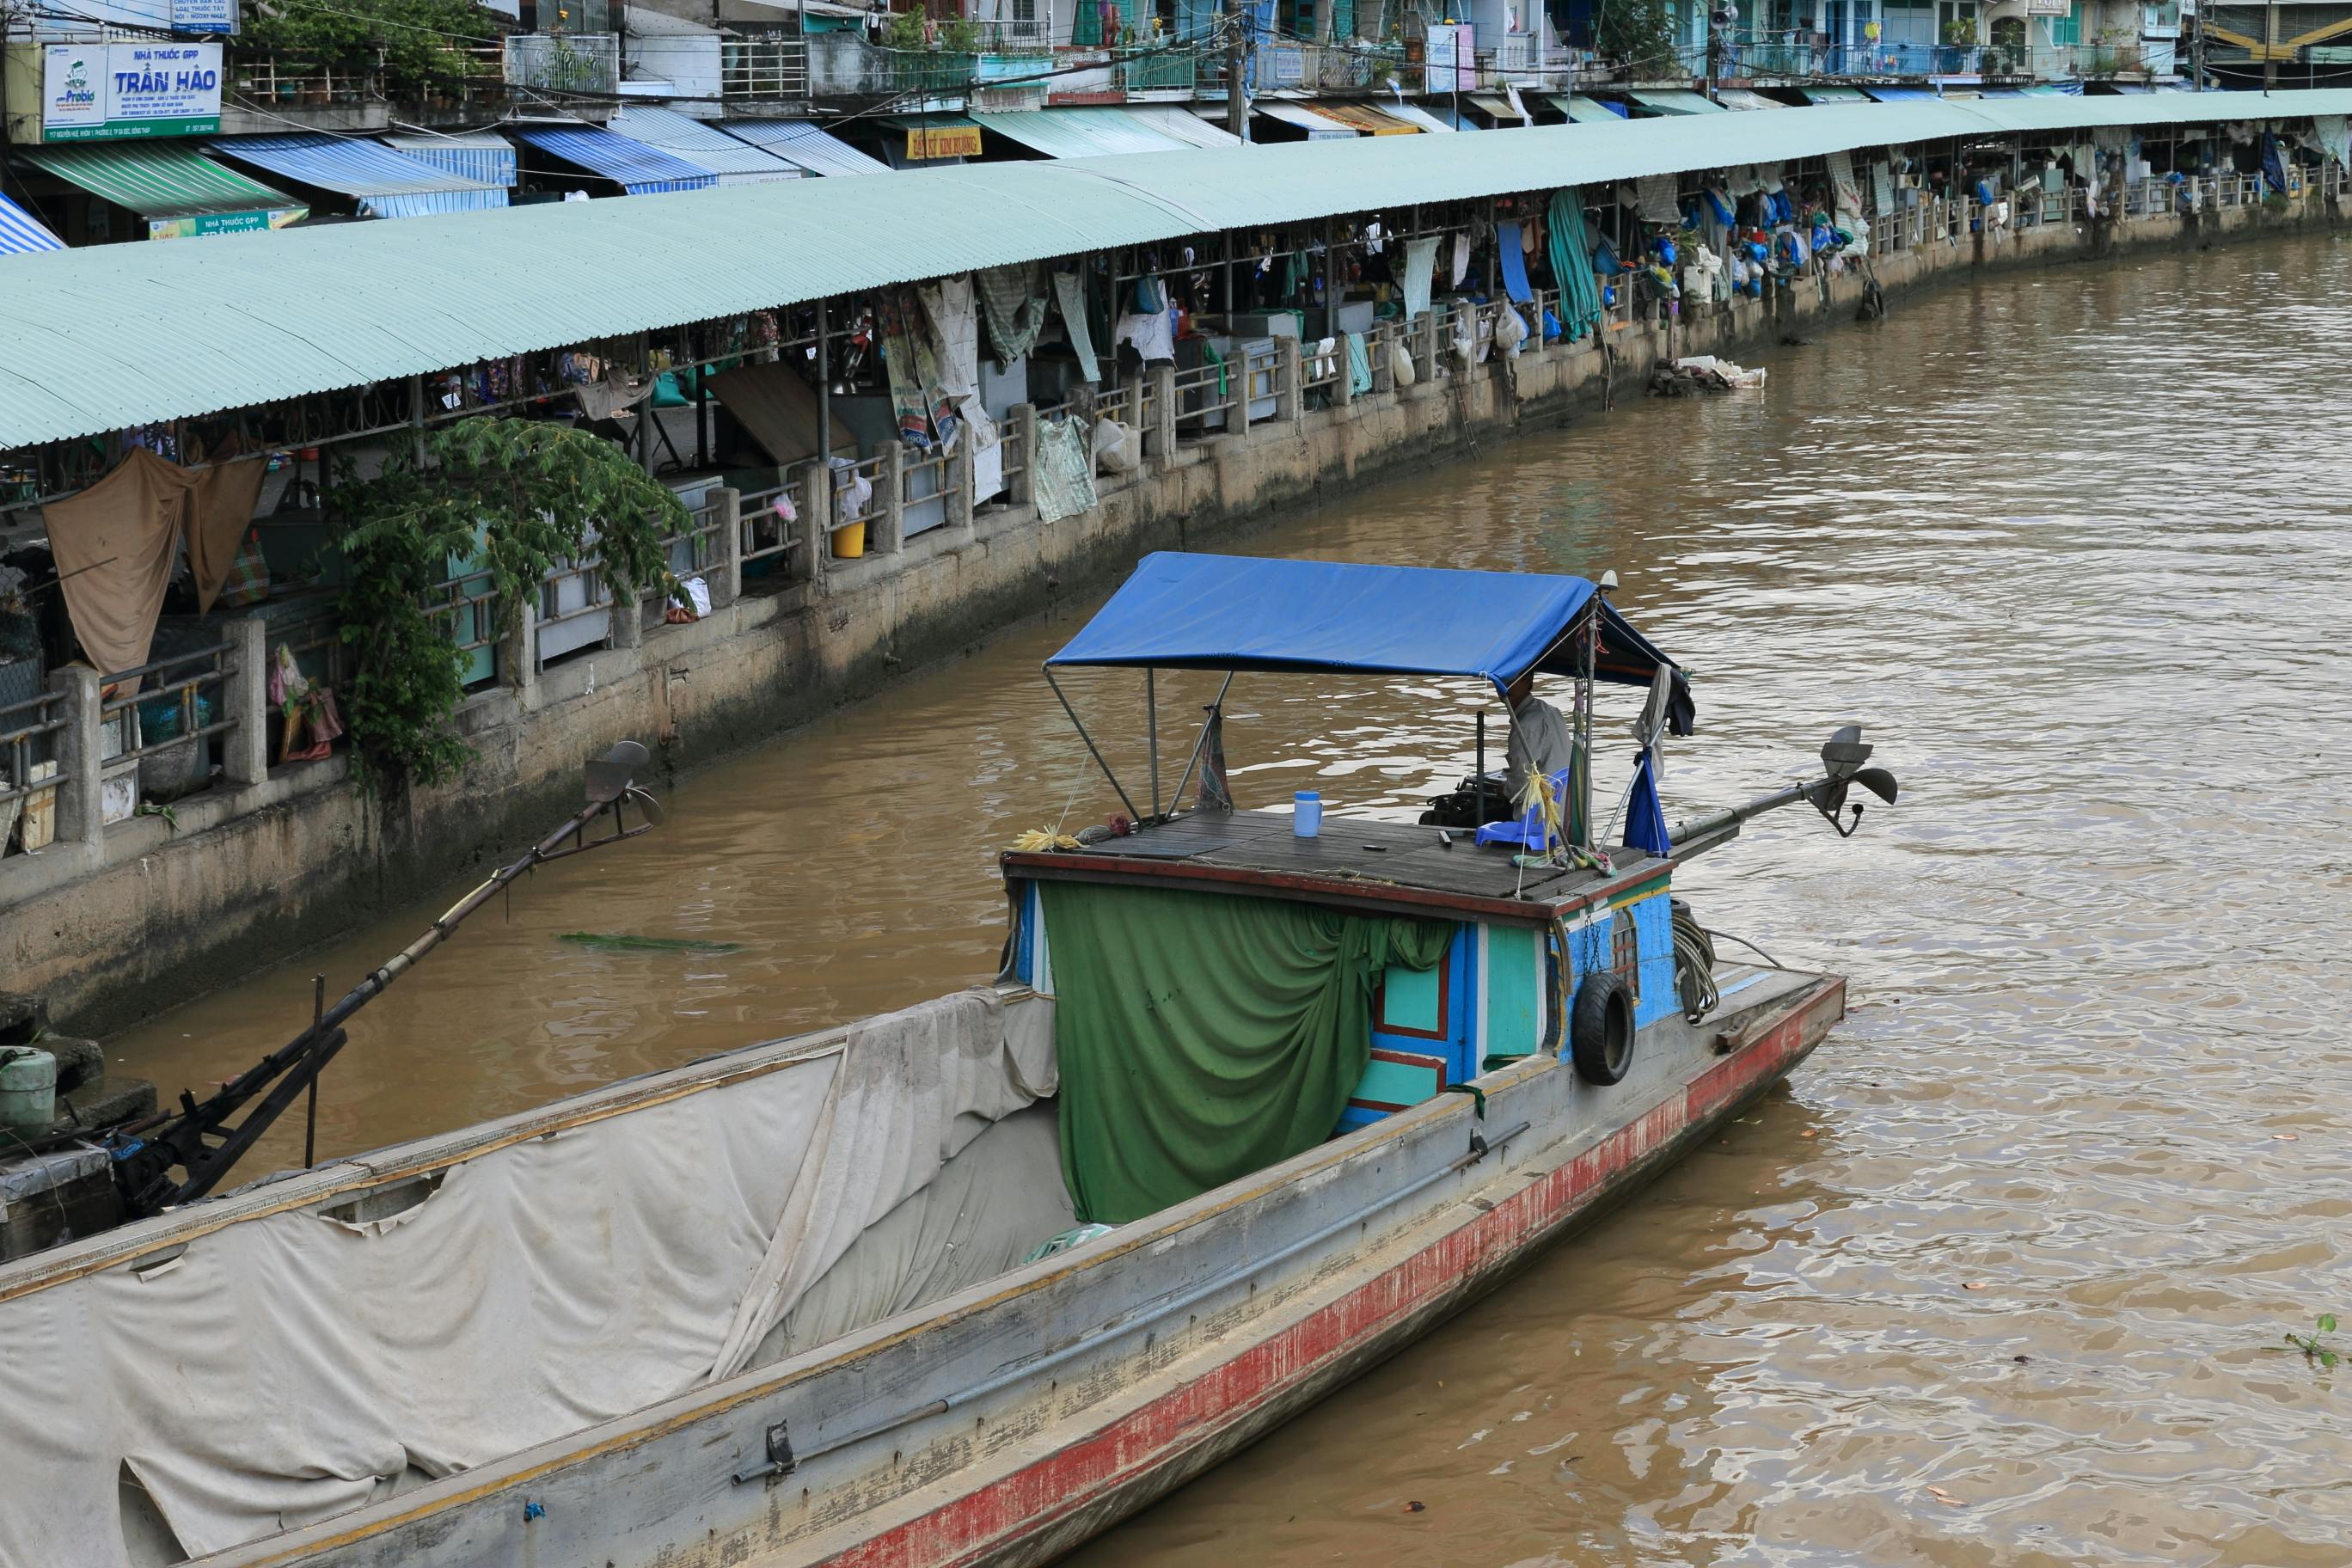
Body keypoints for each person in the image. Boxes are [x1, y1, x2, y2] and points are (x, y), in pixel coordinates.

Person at [1503, 669, 1576, 802]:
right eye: (1503, 679)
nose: (1507, 685)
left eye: (1513, 679)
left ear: (1528, 680)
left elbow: (1520, 787)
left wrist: (1504, 791)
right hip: (1567, 800)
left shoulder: (1526, 725)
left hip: (1545, 810)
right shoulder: (1550, 711)